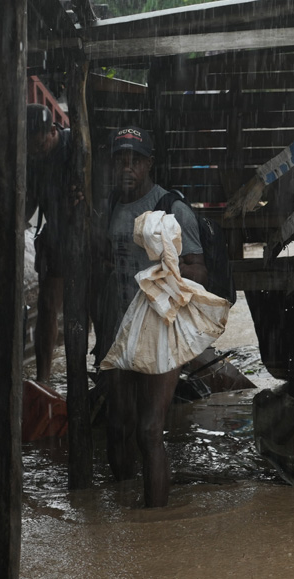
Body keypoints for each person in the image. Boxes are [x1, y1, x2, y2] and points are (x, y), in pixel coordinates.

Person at [98, 126, 206, 507]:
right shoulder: (111, 205)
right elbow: (107, 262)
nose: (127, 168)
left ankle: (155, 527)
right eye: (120, 160)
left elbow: (197, 271)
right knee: (117, 426)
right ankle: (124, 514)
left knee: (148, 431)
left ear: (149, 164)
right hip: (118, 331)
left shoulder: (172, 210)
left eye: (136, 160)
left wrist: (159, 271)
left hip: (160, 330)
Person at [25, 104, 72, 383]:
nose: (37, 152)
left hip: (85, 231)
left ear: (53, 131)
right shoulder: (32, 157)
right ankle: (44, 379)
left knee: (88, 305)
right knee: (46, 305)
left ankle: (100, 371)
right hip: (55, 232)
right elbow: (29, 201)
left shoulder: (75, 148)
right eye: (31, 148)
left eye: (40, 145)